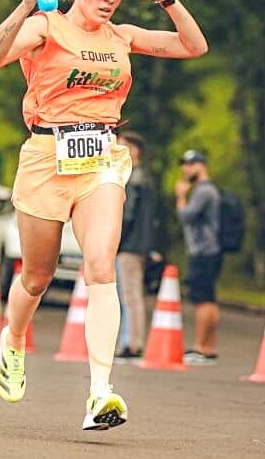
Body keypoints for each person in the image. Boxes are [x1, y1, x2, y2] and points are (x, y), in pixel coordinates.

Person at [0, 0, 208, 430]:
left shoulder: (122, 36)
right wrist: (24, 5)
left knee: (101, 266)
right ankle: (13, 340)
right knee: (37, 277)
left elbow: (194, 46)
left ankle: (100, 391)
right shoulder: (45, 26)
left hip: (101, 157)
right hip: (46, 157)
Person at [174, 149, 222, 366]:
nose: (185, 169)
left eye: (190, 164)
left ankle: (200, 347)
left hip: (202, 251)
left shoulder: (204, 191)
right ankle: (209, 347)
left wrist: (181, 196)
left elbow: (185, 216)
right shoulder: (211, 190)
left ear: (202, 166)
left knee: (202, 301)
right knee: (209, 299)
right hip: (212, 250)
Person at [114, 131, 157, 364]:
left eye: (122, 147)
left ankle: (132, 342)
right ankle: (131, 340)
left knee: (129, 295)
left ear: (134, 150)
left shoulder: (131, 179)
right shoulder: (147, 178)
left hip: (129, 244)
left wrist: (115, 239)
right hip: (139, 244)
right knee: (134, 294)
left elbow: (127, 214)